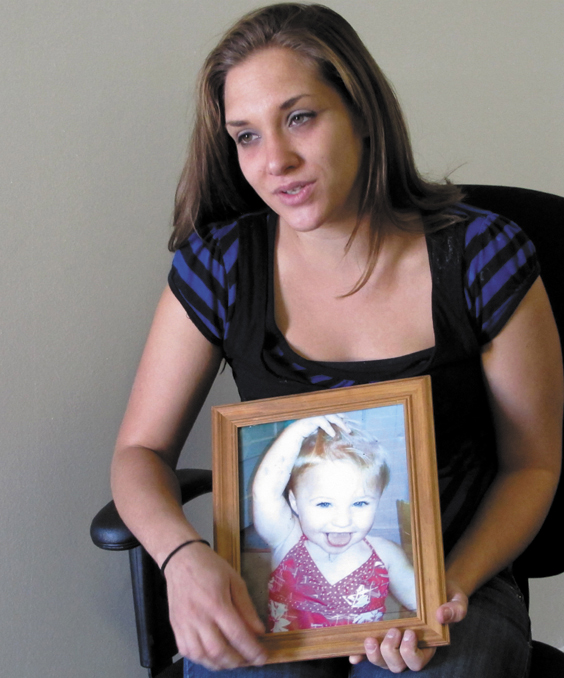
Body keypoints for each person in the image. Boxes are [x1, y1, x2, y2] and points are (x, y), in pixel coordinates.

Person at [110, 3, 563, 676]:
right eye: (246, 136)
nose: (276, 161)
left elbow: (532, 465)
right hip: (273, 584)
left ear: (361, 111)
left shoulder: (480, 256)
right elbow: (140, 451)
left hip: (454, 579)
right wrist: (182, 558)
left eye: (300, 117)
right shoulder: (221, 265)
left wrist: (441, 592)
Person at [252, 414, 416, 633]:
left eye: (359, 503)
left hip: (367, 655)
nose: (343, 521)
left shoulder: (386, 555)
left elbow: (422, 603)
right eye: (324, 504)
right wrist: (296, 432)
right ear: (294, 502)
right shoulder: (287, 539)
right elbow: (264, 493)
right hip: (294, 656)